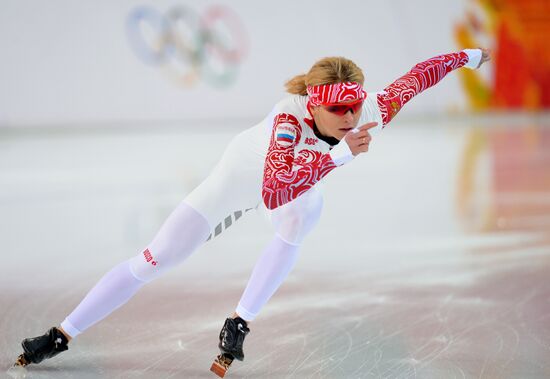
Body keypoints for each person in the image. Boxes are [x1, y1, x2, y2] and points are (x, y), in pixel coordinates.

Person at [14, 48, 491, 375]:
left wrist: (471, 57)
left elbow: (421, 75)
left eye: (354, 107)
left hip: (299, 187)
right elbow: (275, 185)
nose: (350, 117)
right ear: (314, 105)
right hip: (237, 183)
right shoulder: (289, 118)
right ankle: (62, 334)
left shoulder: (372, 109)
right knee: (153, 260)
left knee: (304, 218)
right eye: (339, 109)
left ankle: (239, 321)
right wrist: (341, 154)